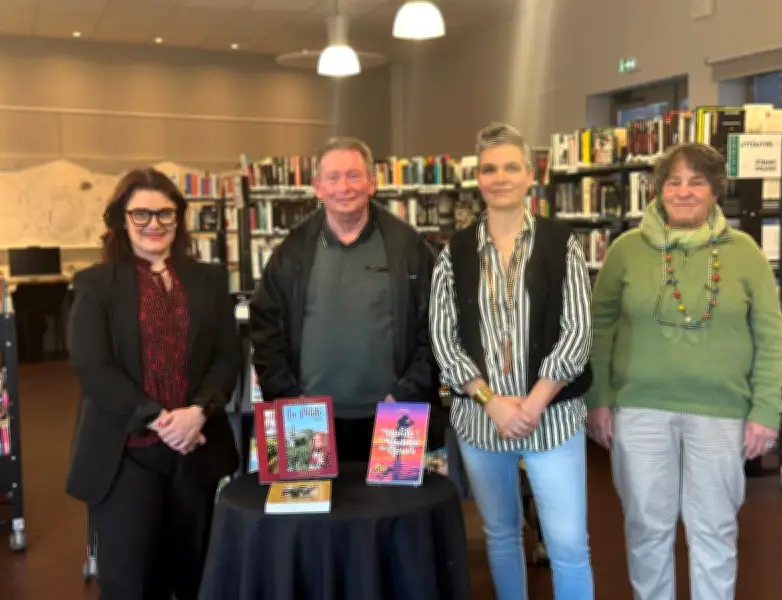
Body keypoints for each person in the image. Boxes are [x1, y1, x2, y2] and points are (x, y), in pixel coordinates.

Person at [587, 142, 782, 600]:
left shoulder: (745, 253)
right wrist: (598, 399)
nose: (683, 191)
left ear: (715, 190)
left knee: (714, 531)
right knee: (646, 529)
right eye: (673, 182)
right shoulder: (625, 250)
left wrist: (765, 410)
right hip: (639, 410)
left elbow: (771, 338)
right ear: (658, 191)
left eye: (697, 181)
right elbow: (598, 331)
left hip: (721, 412)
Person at [429, 122, 595, 600]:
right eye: (489, 169)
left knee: (568, 545)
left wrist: (533, 403)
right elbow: (443, 338)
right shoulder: (455, 252)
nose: (499, 178)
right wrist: (492, 402)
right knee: (501, 535)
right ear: (477, 179)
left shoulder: (561, 244)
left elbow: (578, 332)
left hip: (553, 417)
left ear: (530, 176)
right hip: (481, 421)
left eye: (510, 167)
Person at [66, 168, 241, 600]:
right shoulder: (95, 285)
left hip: (195, 448)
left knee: (194, 574)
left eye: (165, 213)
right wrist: (160, 419)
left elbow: (227, 356)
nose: (154, 224)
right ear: (121, 219)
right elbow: (93, 367)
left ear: (178, 218)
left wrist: (198, 412)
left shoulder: (209, 280)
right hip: (125, 452)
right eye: (141, 213)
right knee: (131, 580)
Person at [248, 136, 441, 461]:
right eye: (333, 177)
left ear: (372, 183)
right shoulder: (291, 250)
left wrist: (408, 392)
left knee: (392, 495)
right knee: (306, 494)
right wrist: (287, 394)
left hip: (398, 414)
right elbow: (264, 326)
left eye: (354, 175)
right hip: (302, 417)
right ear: (317, 187)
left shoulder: (409, 247)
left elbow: (437, 326)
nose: (344, 187)